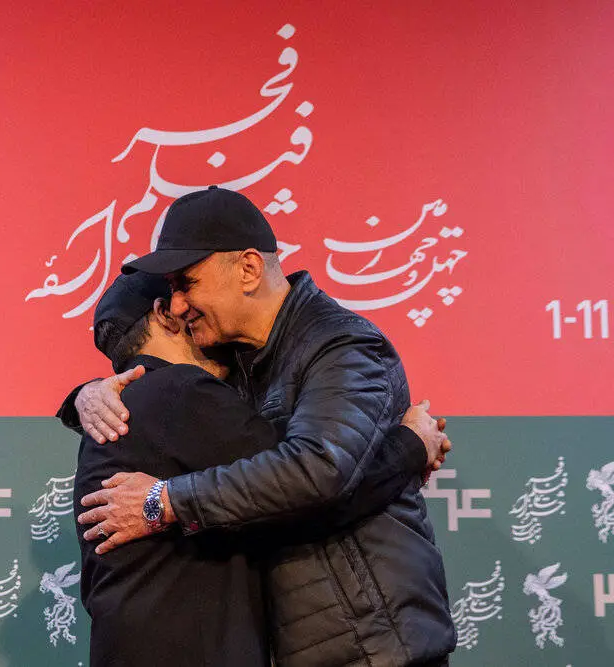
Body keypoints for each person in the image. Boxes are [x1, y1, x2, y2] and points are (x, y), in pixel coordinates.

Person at [69, 186, 456, 666]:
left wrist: (163, 501)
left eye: (187, 283)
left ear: (249, 269)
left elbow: (317, 474)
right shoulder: (233, 365)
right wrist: (88, 394)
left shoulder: (340, 345)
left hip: (372, 648)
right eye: (171, 292)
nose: (179, 305)